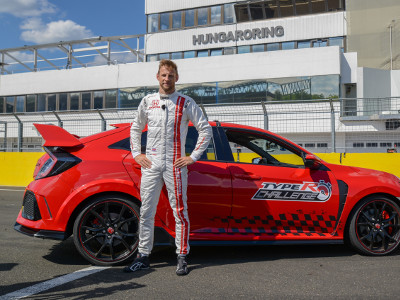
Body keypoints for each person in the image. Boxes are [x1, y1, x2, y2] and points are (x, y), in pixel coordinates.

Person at [124, 59, 212, 276]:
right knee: (146, 212)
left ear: (176, 78)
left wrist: (192, 157)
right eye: (163, 75)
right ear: (157, 77)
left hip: (175, 165)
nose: (167, 79)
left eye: (170, 75)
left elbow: (205, 130)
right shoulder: (147, 101)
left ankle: (181, 257)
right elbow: (135, 128)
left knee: (180, 212)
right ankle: (143, 256)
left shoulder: (186, 102)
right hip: (151, 164)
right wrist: (137, 154)